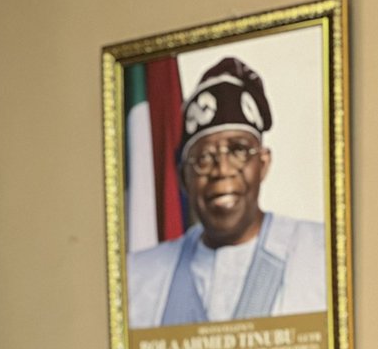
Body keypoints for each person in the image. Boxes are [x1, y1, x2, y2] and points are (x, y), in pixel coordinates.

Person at [127, 57, 327, 328]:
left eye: (238, 150)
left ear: (263, 164)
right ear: (184, 178)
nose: (222, 169)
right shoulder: (138, 276)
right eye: (204, 157)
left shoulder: (323, 254)